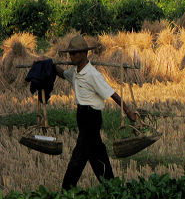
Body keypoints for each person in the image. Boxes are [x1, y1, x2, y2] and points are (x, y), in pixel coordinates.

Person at [53, 35, 137, 190]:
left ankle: (67, 189)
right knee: (96, 152)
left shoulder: (92, 74)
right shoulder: (75, 72)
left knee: (80, 153)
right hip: (82, 115)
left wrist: (128, 110)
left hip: (91, 116)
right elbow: (62, 74)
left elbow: (112, 93)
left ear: (84, 54)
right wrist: (48, 65)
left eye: (75, 53)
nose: (71, 56)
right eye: (70, 53)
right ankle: (111, 186)